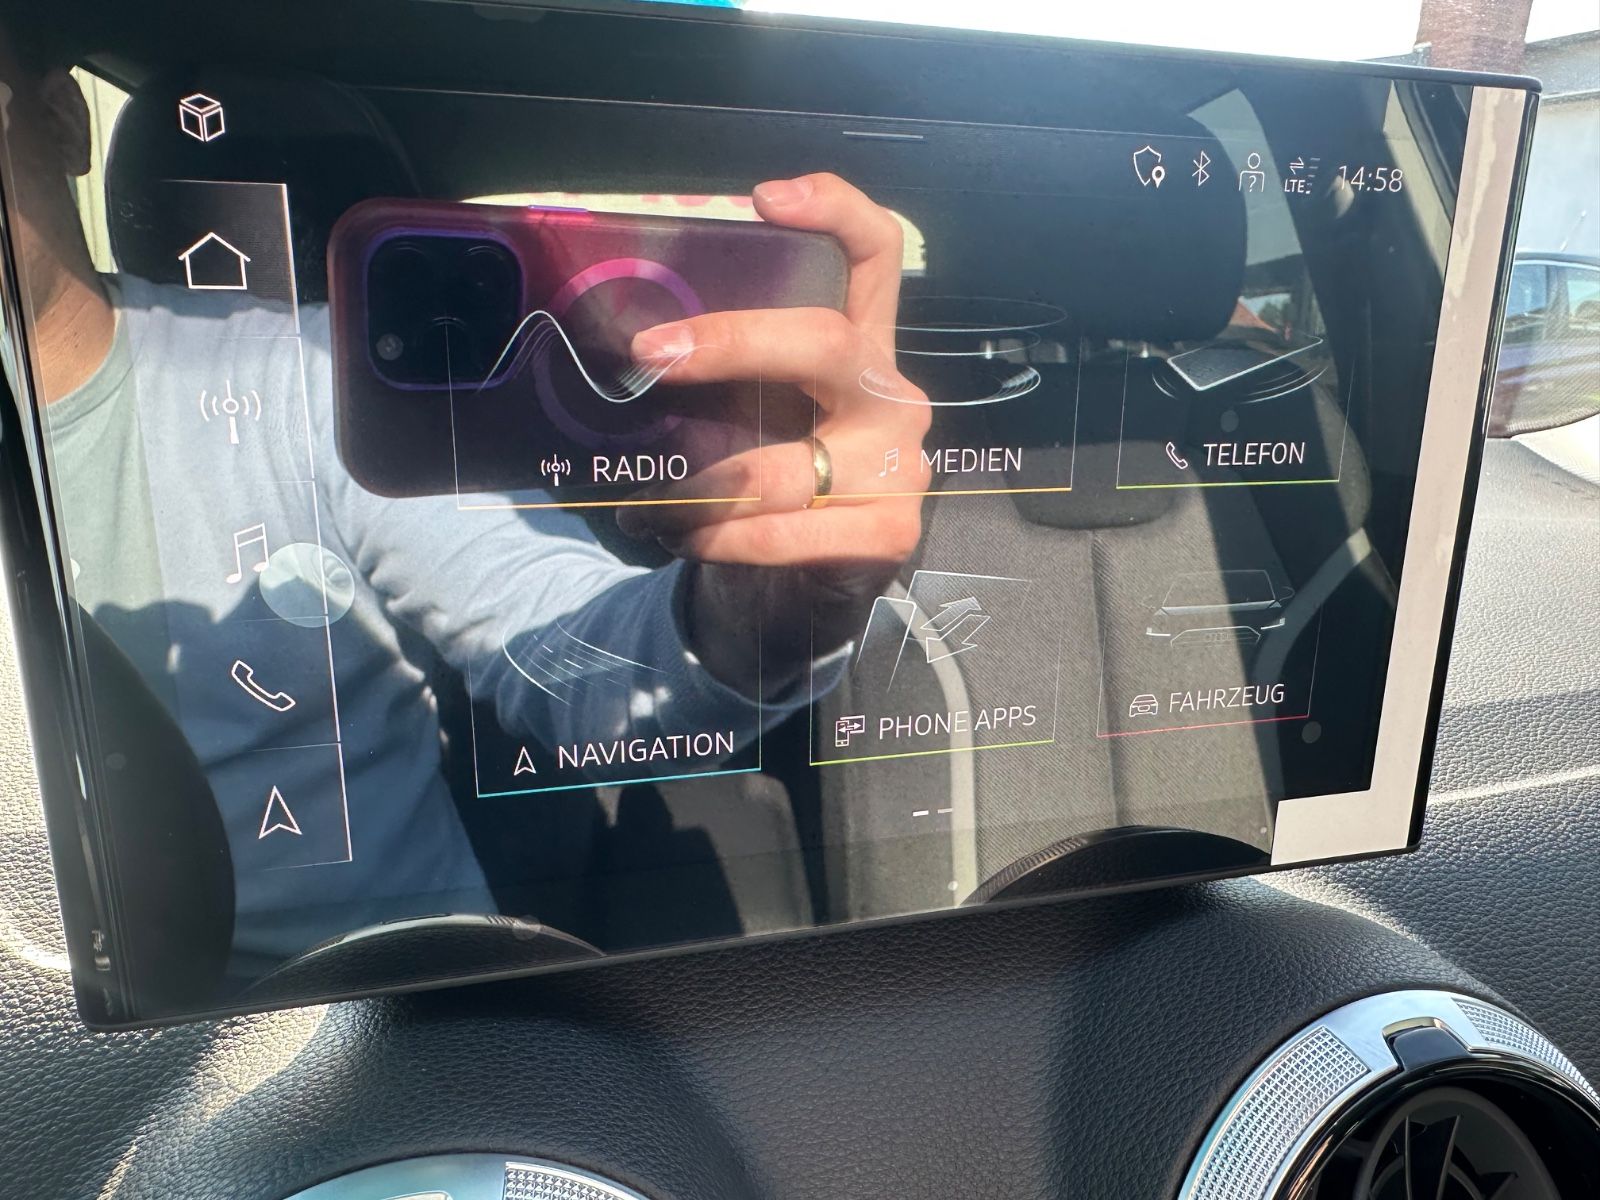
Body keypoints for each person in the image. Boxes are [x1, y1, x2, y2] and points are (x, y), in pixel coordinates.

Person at [0, 41, 932, 971]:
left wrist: (750, 613)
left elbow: (564, 647)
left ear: (60, 121)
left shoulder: (306, 377)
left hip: (385, 1019)